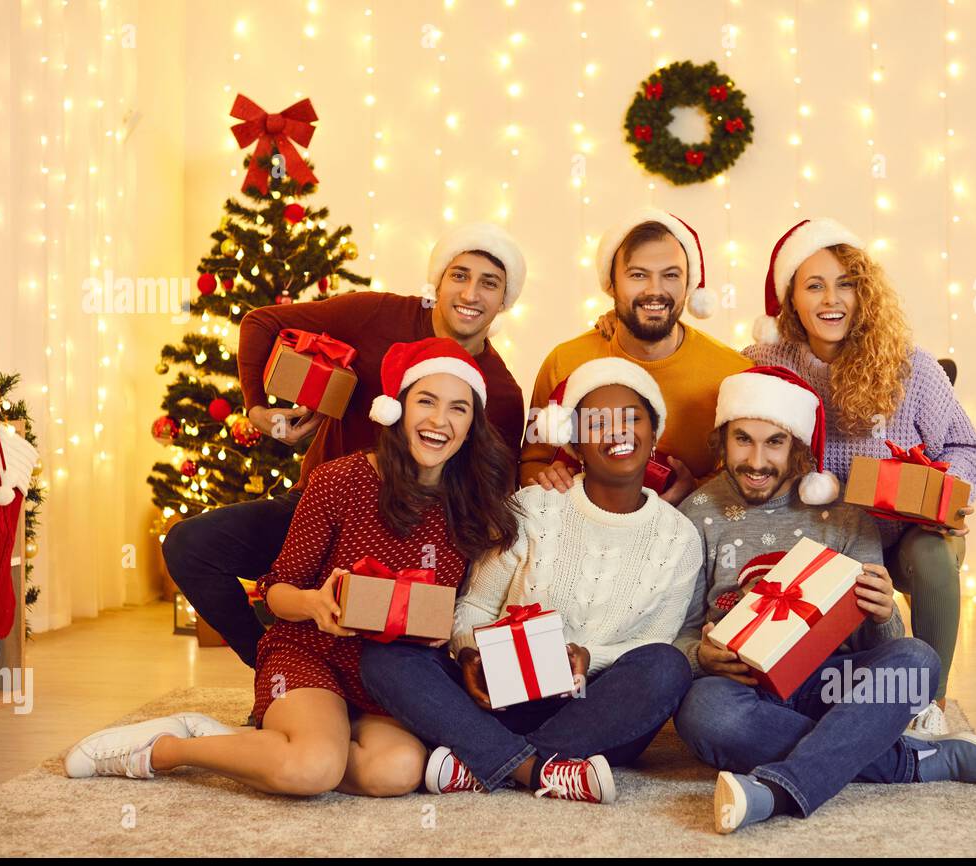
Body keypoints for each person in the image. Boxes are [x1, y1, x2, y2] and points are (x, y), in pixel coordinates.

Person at [65, 339, 520, 797]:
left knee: (397, 770)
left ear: (470, 427)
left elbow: (465, 607)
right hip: (309, 654)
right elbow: (277, 591)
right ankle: (170, 747)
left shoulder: (474, 506)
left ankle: (266, 744)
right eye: (426, 401)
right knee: (312, 769)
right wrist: (315, 603)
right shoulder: (341, 480)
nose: (440, 420)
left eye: (458, 409)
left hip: (388, 676)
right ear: (396, 408)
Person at [164, 223, 528, 671]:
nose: (470, 293)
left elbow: (491, 498)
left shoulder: (503, 396)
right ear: (438, 279)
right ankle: (274, 667)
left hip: (411, 537)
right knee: (191, 543)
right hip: (319, 513)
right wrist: (257, 408)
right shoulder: (377, 315)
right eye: (459, 275)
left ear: (505, 299)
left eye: (488, 283)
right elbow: (262, 322)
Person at [672, 366, 976, 832]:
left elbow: (883, 638)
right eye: (742, 439)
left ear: (798, 449)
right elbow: (680, 633)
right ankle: (906, 761)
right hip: (742, 687)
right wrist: (700, 656)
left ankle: (779, 788)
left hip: (832, 683)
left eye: (775, 443)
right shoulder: (698, 514)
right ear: (722, 441)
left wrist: (885, 612)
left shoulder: (843, 513)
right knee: (702, 713)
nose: (756, 460)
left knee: (917, 661)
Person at [358, 358, 700, 804]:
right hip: (498, 698)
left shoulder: (680, 536)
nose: (617, 432)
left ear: (655, 433)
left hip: (592, 709)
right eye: (597, 422)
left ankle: (481, 761)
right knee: (387, 654)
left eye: (632, 418)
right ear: (574, 442)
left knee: (667, 666)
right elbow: (475, 607)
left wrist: (587, 656)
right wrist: (469, 654)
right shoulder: (533, 507)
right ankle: (537, 768)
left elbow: (653, 643)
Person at [744, 219, 976, 733]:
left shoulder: (912, 369)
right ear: (791, 299)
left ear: (865, 293)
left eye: (846, 283)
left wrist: (948, 500)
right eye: (814, 285)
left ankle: (929, 701)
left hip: (900, 535)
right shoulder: (765, 362)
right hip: (812, 537)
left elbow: (970, 447)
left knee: (933, 554)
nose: (832, 299)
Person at [519, 207, 751, 503]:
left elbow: (746, 479)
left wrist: (693, 493)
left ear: (688, 283)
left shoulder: (733, 373)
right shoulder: (565, 362)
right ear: (611, 283)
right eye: (638, 275)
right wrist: (548, 478)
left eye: (670, 275)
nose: (655, 291)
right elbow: (531, 463)